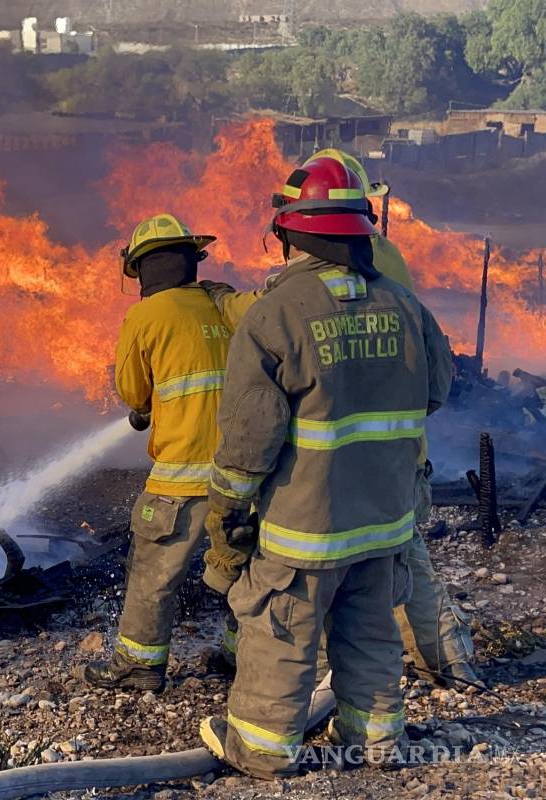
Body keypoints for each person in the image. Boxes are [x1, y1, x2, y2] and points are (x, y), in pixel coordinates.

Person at [198, 157, 454, 777]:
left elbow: (251, 438)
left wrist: (228, 511)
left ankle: (261, 750)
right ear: (361, 231)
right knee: (371, 635)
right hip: (385, 522)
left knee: (281, 632)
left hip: (306, 528)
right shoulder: (405, 306)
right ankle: (372, 743)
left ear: (287, 234)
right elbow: (437, 389)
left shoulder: (273, 314)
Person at [82, 213, 231, 693]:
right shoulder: (226, 304)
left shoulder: (145, 316)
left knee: (153, 569)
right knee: (247, 567)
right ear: (192, 260)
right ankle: (242, 653)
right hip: (248, 469)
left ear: (142, 269)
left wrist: (147, 405)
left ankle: (140, 665)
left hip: (182, 474)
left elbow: (132, 391)